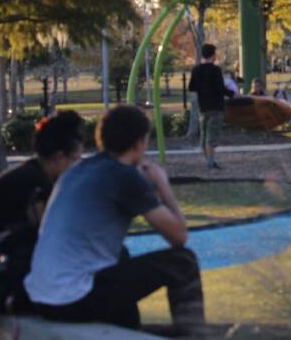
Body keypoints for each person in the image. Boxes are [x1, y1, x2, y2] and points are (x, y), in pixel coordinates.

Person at [25, 106, 205, 334]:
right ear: (140, 142)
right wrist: (162, 184)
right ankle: (195, 336)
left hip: (42, 297)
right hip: (72, 300)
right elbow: (179, 236)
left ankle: (128, 329)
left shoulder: (78, 169)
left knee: (120, 255)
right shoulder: (124, 177)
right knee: (182, 262)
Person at [0, 111, 85, 311]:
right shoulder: (37, 186)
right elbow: (53, 238)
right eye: (75, 160)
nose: (77, 168)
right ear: (59, 157)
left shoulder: (28, 175)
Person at [188, 43, 235, 169]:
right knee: (212, 135)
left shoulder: (196, 70)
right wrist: (232, 94)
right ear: (213, 55)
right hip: (216, 106)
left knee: (204, 134)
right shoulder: (216, 70)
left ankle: (208, 160)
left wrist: (202, 88)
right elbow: (220, 88)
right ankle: (210, 162)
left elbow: (191, 87)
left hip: (203, 106)